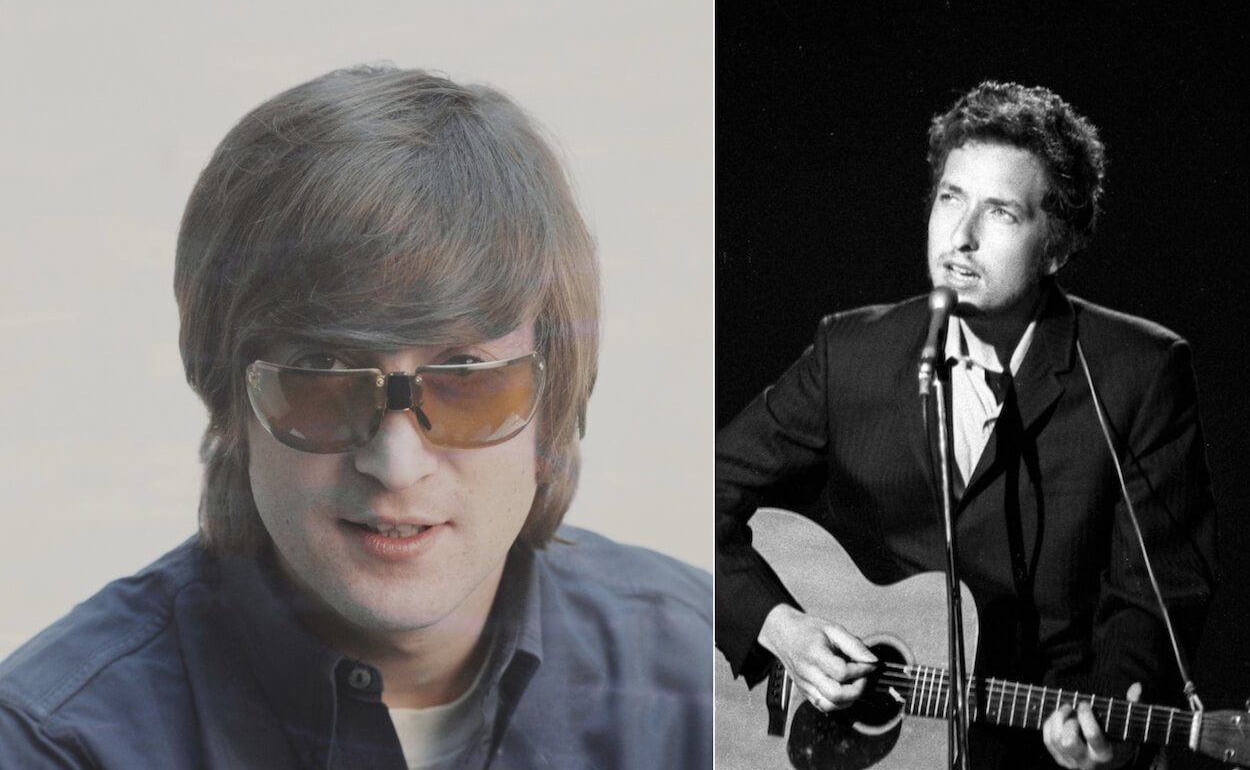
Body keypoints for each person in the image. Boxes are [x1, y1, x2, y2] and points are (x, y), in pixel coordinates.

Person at [0, 66, 712, 769]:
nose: (396, 462)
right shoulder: (56, 745)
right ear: (234, 405)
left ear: (552, 405)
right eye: (324, 379)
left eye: (466, 378)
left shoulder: (700, 667)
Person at [715, 81, 1217, 769]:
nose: (962, 236)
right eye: (951, 198)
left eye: (1002, 211)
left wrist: (1106, 727)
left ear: (1058, 246)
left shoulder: (1138, 370)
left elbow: (1157, 591)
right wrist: (779, 627)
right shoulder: (852, 353)